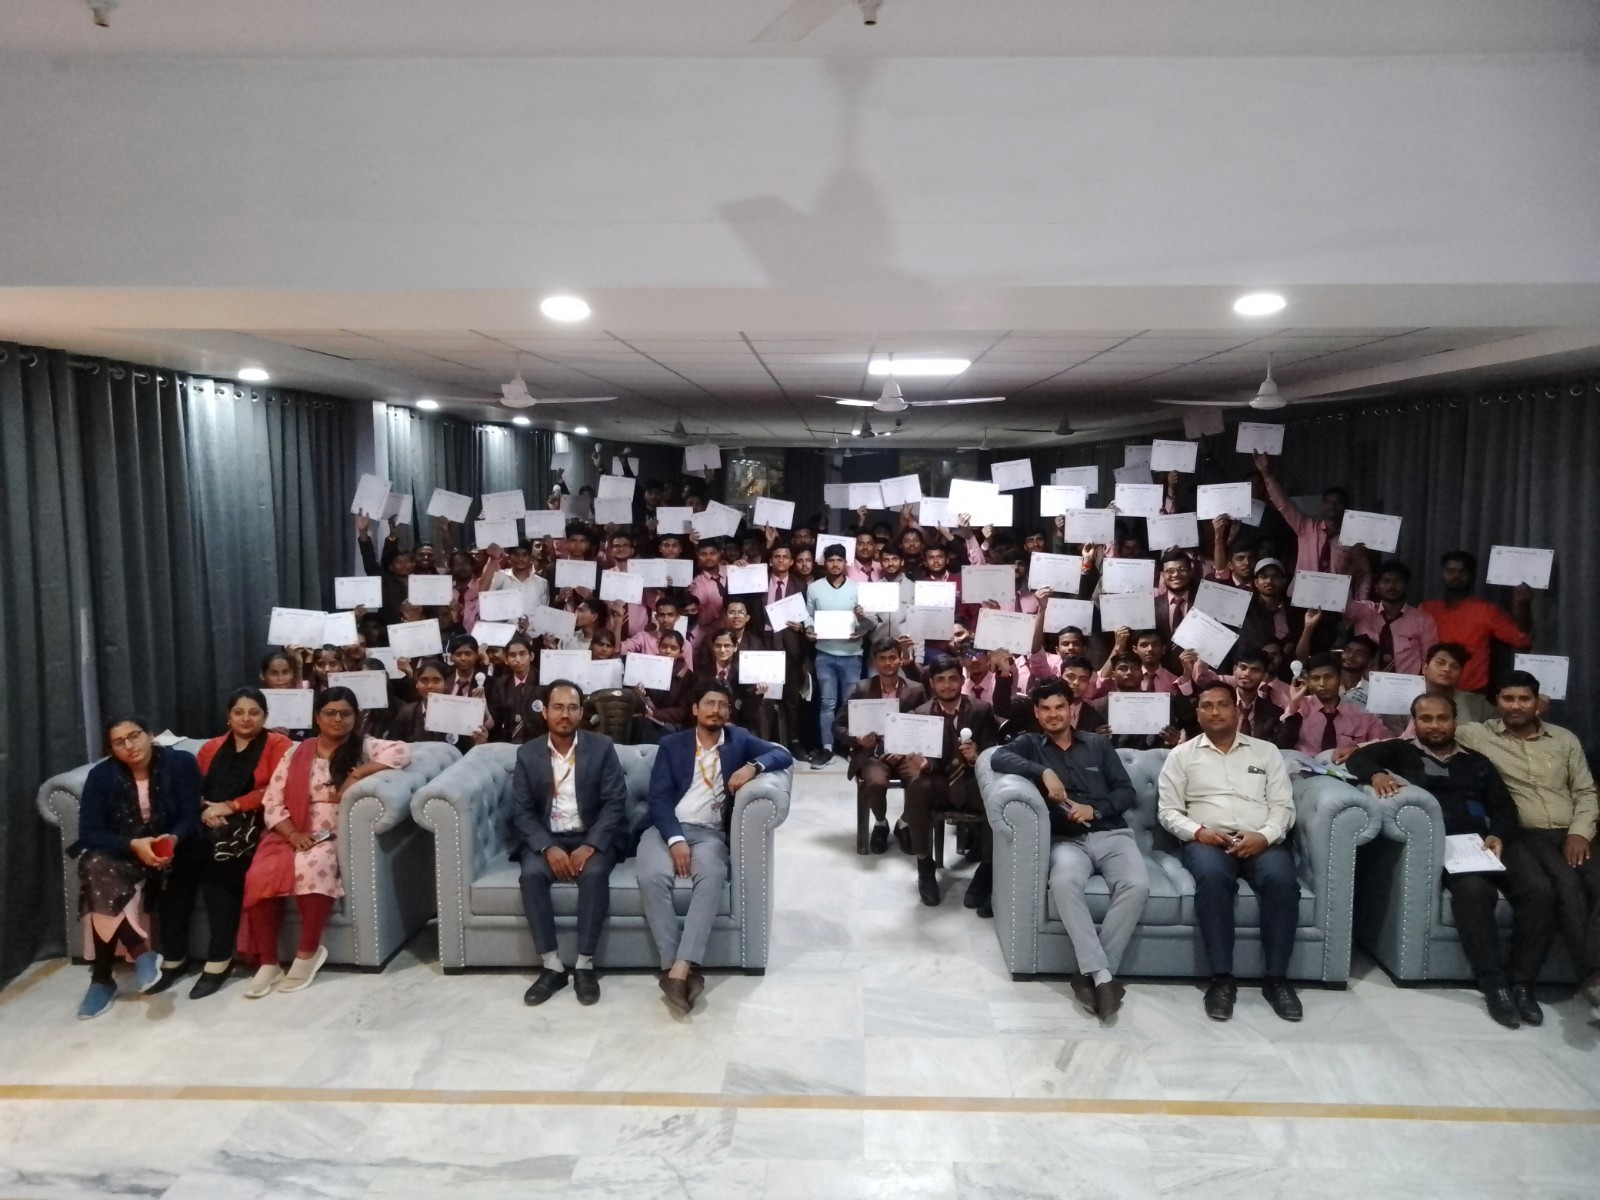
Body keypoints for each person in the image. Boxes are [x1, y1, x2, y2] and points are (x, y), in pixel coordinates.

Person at [1346, 694, 1539, 1028]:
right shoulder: (1402, 752)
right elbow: (1358, 759)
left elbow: (1505, 806)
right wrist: (1376, 775)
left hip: (1490, 843)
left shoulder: (1477, 761)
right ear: (1415, 722)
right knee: (1475, 893)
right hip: (1449, 848)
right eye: (1426, 719)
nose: (1435, 726)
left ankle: (1521, 982)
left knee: (1540, 892)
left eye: (1442, 718)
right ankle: (1494, 985)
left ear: (1455, 721)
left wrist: (1499, 835)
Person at [237, 687, 411, 998]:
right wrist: (292, 834)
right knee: (259, 874)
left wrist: (359, 773)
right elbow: (273, 800)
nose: (337, 719)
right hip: (293, 829)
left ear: (355, 718)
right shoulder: (296, 752)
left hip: (335, 831)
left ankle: (308, 952)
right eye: (330, 713)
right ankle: (268, 962)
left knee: (313, 864)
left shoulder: (363, 746)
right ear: (317, 717)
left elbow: (401, 752)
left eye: (345, 713)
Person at [991, 681, 1147, 1019]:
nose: (1053, 715)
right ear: (1036, 712)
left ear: (1071, 709)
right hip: (1067, 841)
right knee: (1063, 884)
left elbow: (1126, 792)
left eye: (1059, 707)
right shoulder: (1031, 745)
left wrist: (1096, 809)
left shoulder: (1097, 745)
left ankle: (1092, 973)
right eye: (1045, 709)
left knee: (1136, 885)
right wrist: (1043, 770)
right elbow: (999, 756)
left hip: (1111, 833)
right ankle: (1104, 978)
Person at [637, 681, 793, 1013]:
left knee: (711, 877)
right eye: (709, 703)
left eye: (723, 705)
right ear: (695, 709)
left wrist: (754, 766)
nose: (716, 710)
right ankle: (673, 967)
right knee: (652, 876)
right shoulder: (672, 745)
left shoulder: (738, 740)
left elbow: (783, 753)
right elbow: (659, 800)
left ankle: (679, 970)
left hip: (709, 833)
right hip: (668, 829)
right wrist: (675, 839)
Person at [1157, 681, 1302, 1022]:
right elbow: (1168, 811)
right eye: (1207, 706)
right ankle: (1222, 980)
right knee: (1210, 878)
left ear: (1237, 709)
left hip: (1260, 839)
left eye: (1222, 704)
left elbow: (1283, 806)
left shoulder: (1266, 752)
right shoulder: (1181, 755)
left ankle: (1277, 981)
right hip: (1208, 840)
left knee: (1283, 881)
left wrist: (1264, 836)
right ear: (1198, 713)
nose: (1215, 712)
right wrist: (1199, 832)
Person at [1456, 672, 1600, 1010]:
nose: (1517, 705)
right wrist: (1354, 752)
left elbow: (1585, 791)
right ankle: (1591, 976)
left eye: (1524, 699)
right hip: (1525, 834)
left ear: (1539, 703)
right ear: (1496, 702)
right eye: (1509, 698)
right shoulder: (1476, 735)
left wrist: (1580, 832)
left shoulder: (1564, 739)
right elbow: (1421, 735)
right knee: (1564, 888)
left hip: (1574, 832)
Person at [149, 689, 293, 999]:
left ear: (266, 717)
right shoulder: (211, 748)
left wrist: (231, 807)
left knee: (220, 867)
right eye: (239, 712)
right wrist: (206, 809)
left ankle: (218, 960)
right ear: (228, 716)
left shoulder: (279, 744)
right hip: (208, 820)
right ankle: (174, 957)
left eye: (254, 712)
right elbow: (192, 788)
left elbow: (274, 788)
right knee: (179, 867)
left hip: (254, 822)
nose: (246, 718)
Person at [68, 717, 202, 1019]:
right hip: (126, 848)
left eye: (134, 736)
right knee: (94, 865)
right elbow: (89, 832)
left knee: (96, 878)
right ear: (111, 749)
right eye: (119, 742)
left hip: (175, 848)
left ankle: (102, 977)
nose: (129, 746)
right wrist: (133, 845)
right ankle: (139, 953)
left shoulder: (180, 763)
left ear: (150, 735)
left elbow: (191, 815)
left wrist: (171, 840)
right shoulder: (102, 775)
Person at [511, 680, 628, 1007]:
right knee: (531, 875)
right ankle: (551, 967)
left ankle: (584, 966)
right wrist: (547, 847)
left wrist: (590, 845)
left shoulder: (602, 747)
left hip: (590, 836)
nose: (565, 714)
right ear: (545, 711)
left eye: (572, 707)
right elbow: (521, 811)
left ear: (581, 712)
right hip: (548, 837)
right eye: (558, 707)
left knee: (593, 875)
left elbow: (615, 802)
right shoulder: (527, 753)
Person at [901, 656, 1002, 914]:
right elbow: (919, 757)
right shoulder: (920, 715)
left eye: (953, 679)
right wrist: (924, 764)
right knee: (916, 788)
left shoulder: (981, 710)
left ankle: (987, 868)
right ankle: (924, 864)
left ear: (962, 679)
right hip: (940, 782)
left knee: (998, 798)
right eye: (941, 680)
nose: (947, 686)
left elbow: (995, 753)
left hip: (970, 781)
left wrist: (978, 756)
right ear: (932, 684)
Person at [837, 637, 929, 854]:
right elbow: (838, 725)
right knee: (875, 782)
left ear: (900, 660)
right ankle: (881, 823)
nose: (888, 663)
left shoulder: (916, 690)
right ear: (875, 662)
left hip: (907, 754)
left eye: (892, 658)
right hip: (874, 755)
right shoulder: (862, 688)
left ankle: (904, 823)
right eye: (883, 659)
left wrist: (907, 748)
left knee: (921, 781)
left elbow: (926, 724)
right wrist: (857, 740)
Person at [1421, 551, 1534, 694]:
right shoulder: (1428, 609)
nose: (1456, 576)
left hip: (1471, 694)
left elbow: (1522, 640)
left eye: (1462, 571)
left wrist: (1522, 605)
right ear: (1442, 573)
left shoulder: (1486, 610)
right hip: (1430, 691)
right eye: (1450, 571)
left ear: (1472, 575)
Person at [805, 544, 872, 768]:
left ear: (846, 563)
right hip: (824, 653)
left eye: (839, 560)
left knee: (850, 704)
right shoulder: (814, 588)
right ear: (825, 563)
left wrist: (861, 627)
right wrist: (809, 630)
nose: (835, 564)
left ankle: (852, 747)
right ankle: (827, 748)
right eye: (831, 560)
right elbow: (808, 617)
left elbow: (870, 623)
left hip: (852, 654)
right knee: (827, 703)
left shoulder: (858, 588)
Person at [1253, 453, 1367, 580]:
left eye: (1338, 502)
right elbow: (1283, 505)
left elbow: (1362, 574)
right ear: (1322, 505)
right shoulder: (1306, 528)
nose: (1332, 506)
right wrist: (1266, 473)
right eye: (1328, 502)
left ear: (1346, 506)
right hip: (1304, 595)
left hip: (1337, 595)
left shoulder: (1352, 540)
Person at [1340, 560, 1438, 675]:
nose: (1392, 585)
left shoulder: (1423, 620)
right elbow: (1338, 600)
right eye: (1386, 581)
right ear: (1377, 588)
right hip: (1365, 687)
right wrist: (1353, 565)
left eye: (1397, 581)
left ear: (1406, 586)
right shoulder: (1365, 611)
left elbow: (1429, 660)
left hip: (1407, 687)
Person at [1288, 652, 1392, 756]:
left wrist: (1357, 749)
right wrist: (1294, 702)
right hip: (1303, 766)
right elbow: (1282, 738)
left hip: (1345, 768)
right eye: (1315, 678)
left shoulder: (1363, 716)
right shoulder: (1301, 706)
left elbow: (1386, 743)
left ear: (1340, 678)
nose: (1322, 684)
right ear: (1309, 682)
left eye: (1328, 677)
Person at [485, 634, 545, 744]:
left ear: (531, 656)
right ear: (506, 660)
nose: (518, 659)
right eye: (512, 655)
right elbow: (494, 720)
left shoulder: (544, 683)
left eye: (522, 654)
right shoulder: (500, 684)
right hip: (507, 742)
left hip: (538, 742)